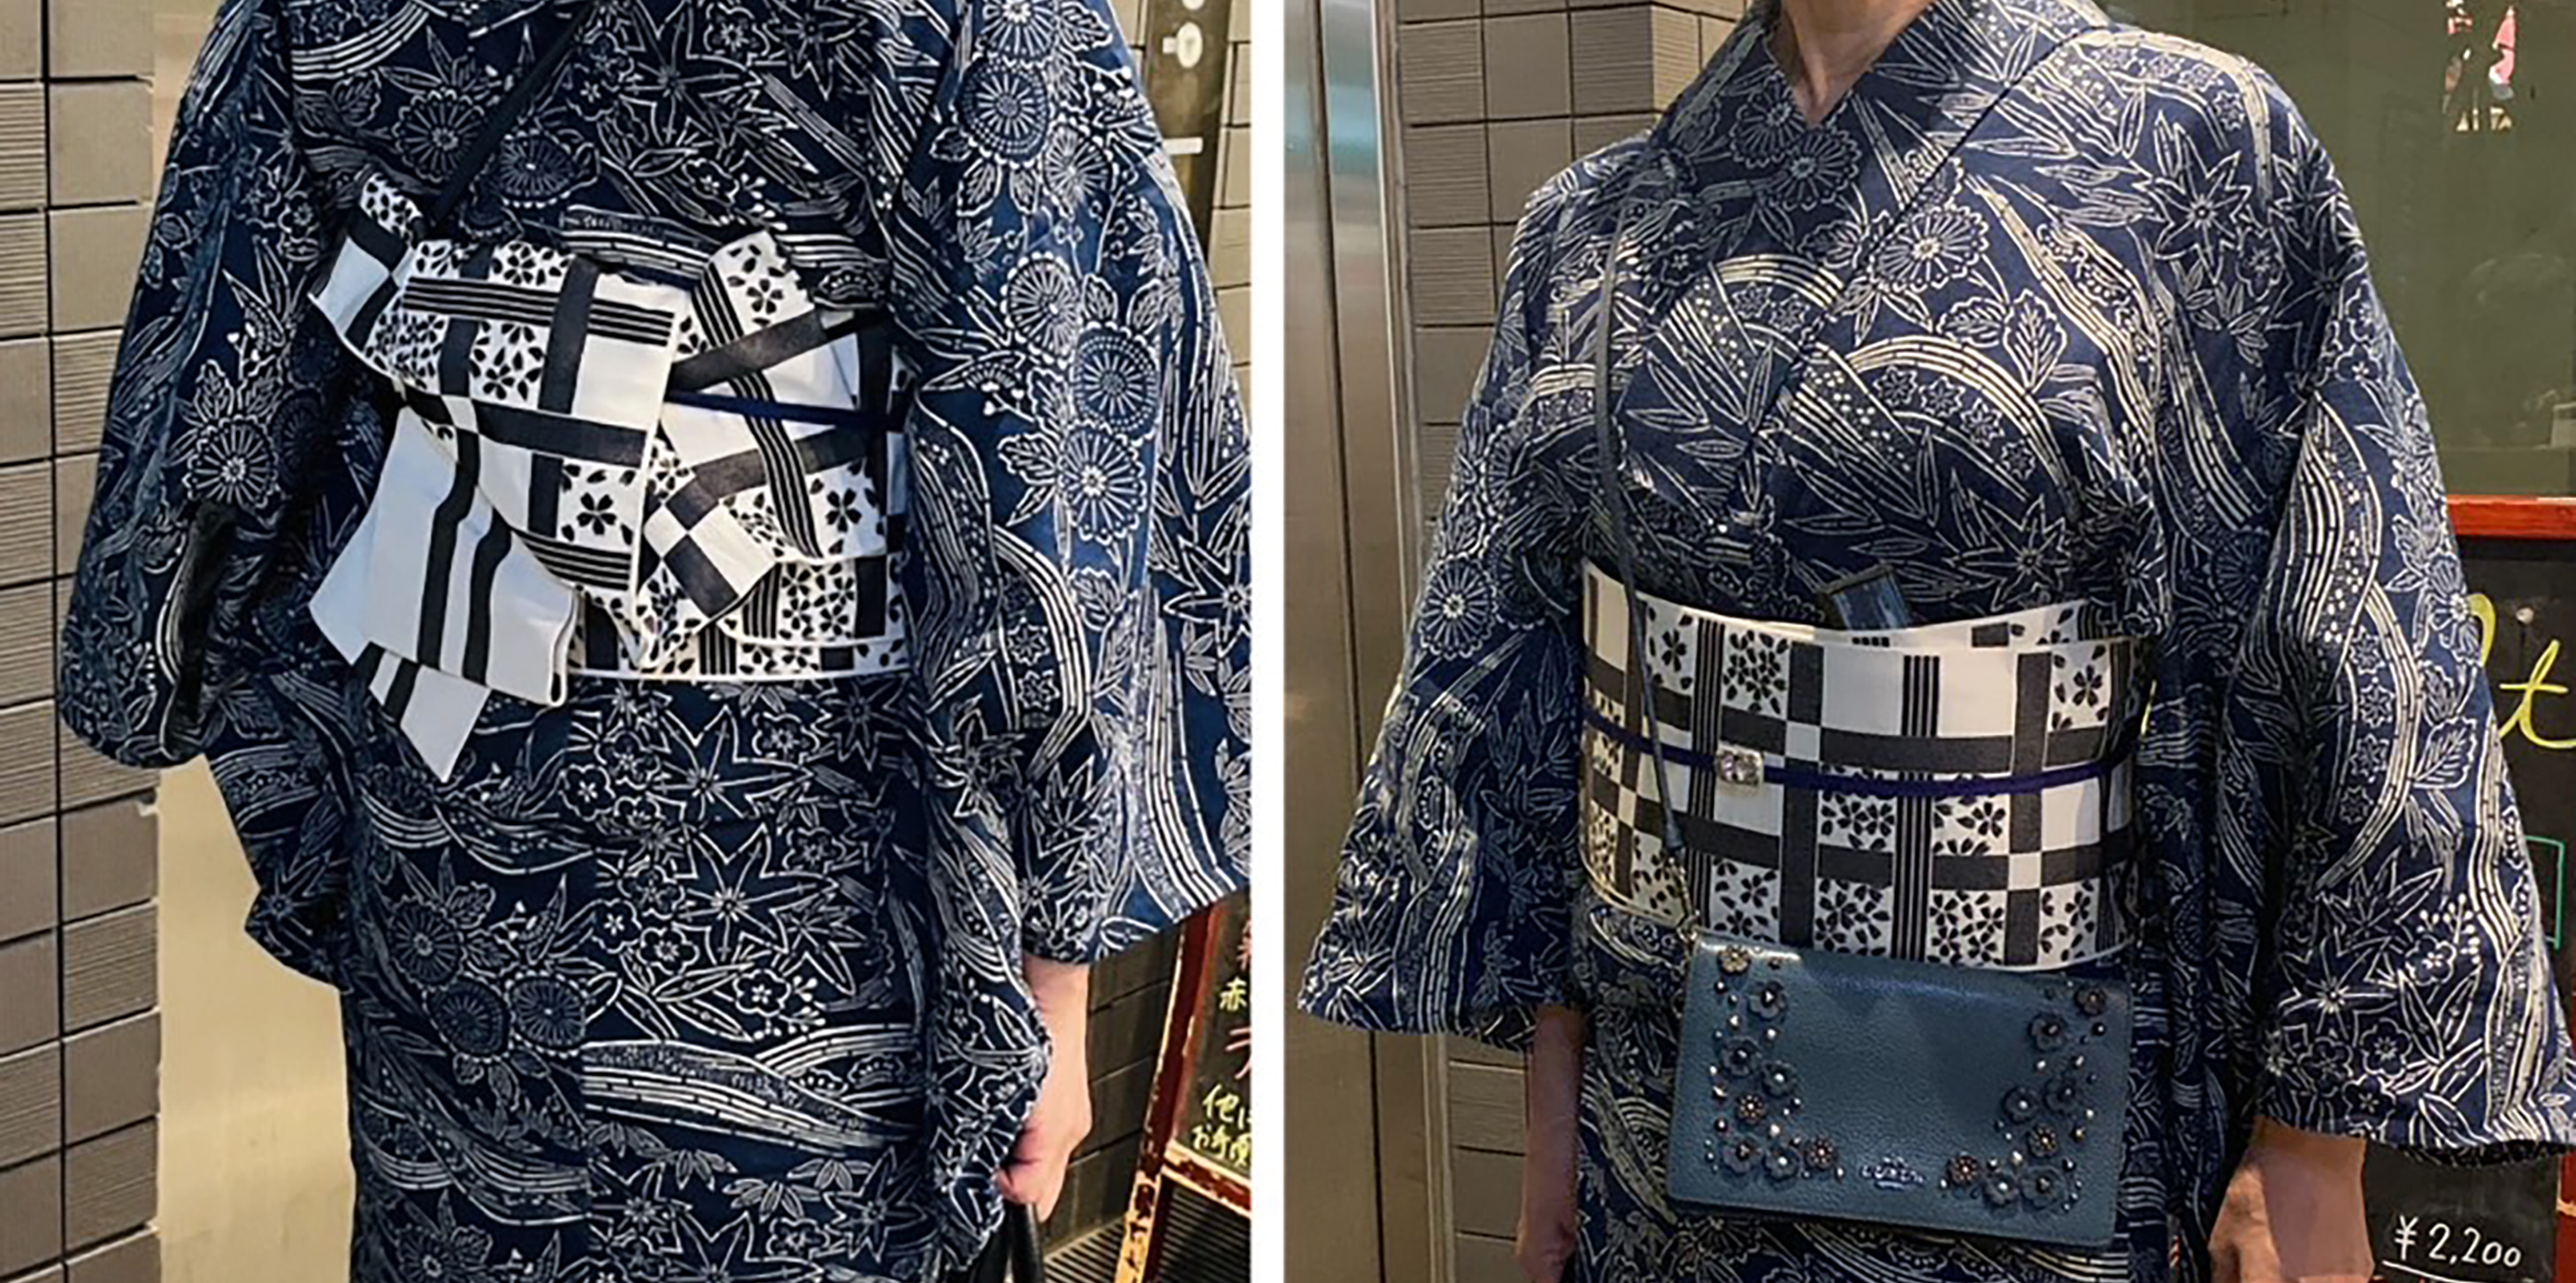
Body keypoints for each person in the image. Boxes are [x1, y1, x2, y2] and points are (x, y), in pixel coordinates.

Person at [1298, 0, 2576, 1279]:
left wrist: (2308, 1152)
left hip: (2044, 1112)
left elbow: (2356, 624)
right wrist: (1554, 1127)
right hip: (1662, 1119)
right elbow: (1530, 692)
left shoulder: (2190, 148)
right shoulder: (1591, 225)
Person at [60, 0, 1251, 1279]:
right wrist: (1054, 968)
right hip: (804, 869)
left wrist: (201, 690)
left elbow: (223, 379)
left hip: (455, 802)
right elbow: (1049, 473)